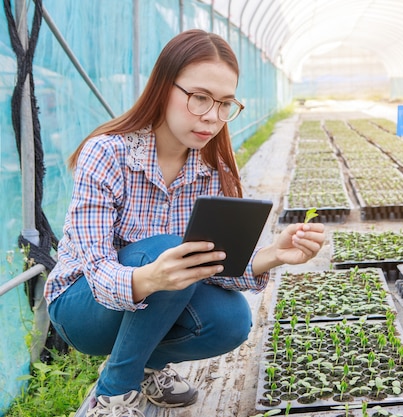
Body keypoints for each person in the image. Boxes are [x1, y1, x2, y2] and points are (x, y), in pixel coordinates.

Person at [44, 29, 326, 417]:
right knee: (168, 250)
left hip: (152, 301)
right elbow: (95, 271)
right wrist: (152, 277)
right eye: (199, 98)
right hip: (83, 308)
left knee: (231, 321)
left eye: (225, 103)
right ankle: (112, 395)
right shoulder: (108, 152)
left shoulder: (213, 170)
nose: (212, 116)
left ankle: (145, 365)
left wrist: (272, 255)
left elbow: (213, 268)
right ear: (163, 87)